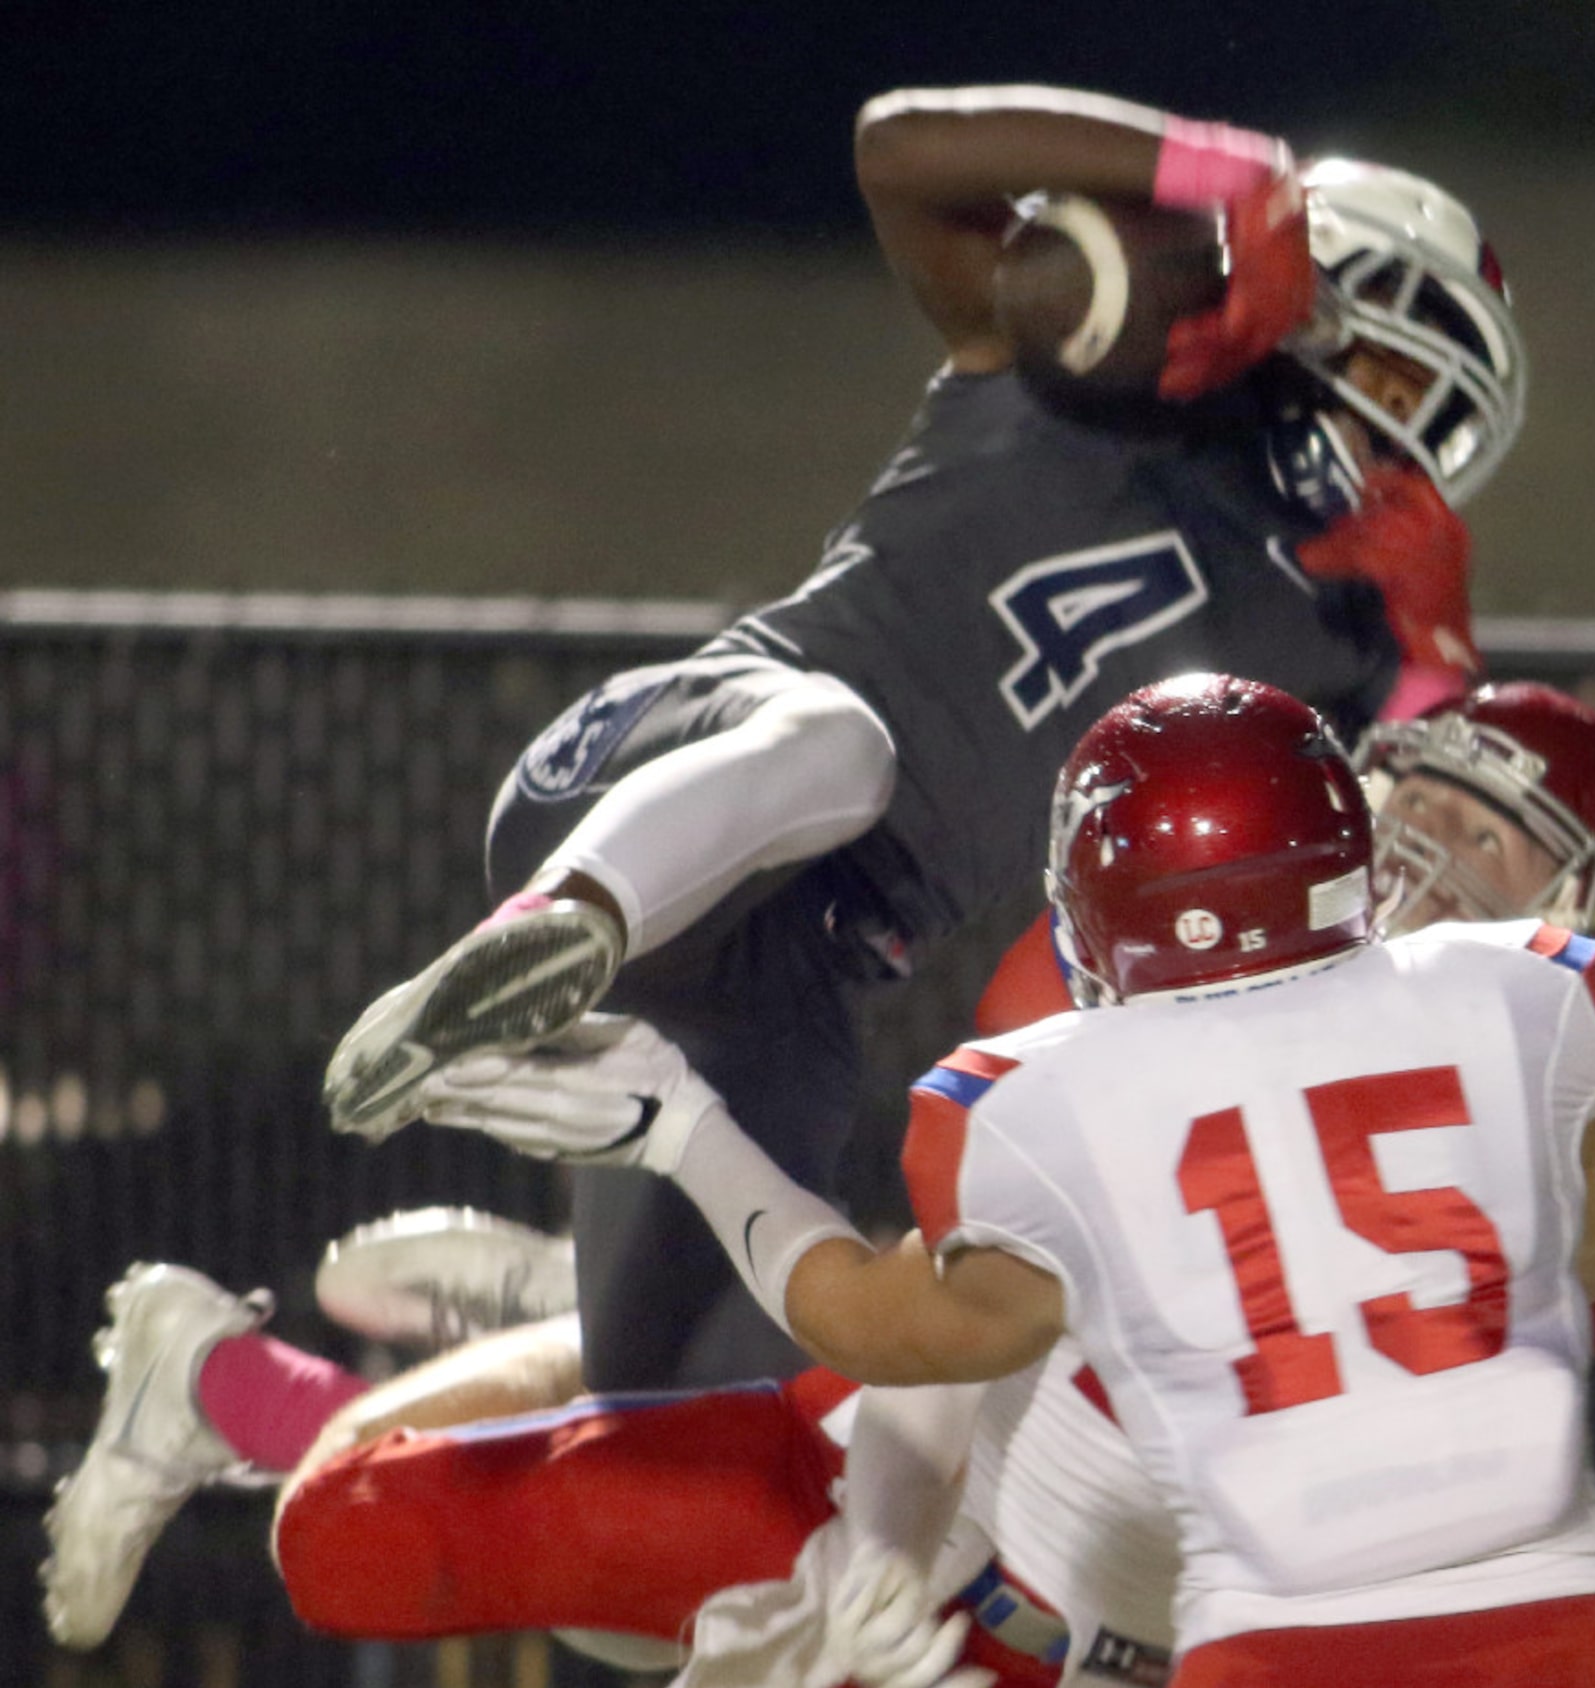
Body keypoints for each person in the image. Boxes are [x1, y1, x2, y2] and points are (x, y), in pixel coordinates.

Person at [46, 687, 1595, 1688]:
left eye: (1488, 840)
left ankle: (617, 1332)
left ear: (1575, 913)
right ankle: (583, 1331)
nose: (1429, 848)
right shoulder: (1114, 1007)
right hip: (909, 1481)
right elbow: (947, 1338)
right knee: (346, 1542)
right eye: (1411, 800)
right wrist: (884, 1544)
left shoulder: (1529, 1048)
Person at [320, 81, 1525, 1393]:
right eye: (1399, 368)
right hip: (660, 769)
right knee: (841, 743)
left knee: (701, 1461)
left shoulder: (1338, 635)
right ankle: (552, 934)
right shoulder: (1093, 372)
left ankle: (246, 1390)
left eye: (1437, 410)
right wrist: (1223, 172)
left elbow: (1385, 908)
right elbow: (898, 148)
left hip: (790, 979)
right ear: (1321, 289)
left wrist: (1429, 666)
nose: (1401, 427)